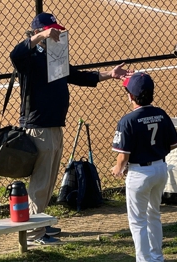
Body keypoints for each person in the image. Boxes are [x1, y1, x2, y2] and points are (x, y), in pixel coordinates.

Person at [10, 12, 132, 245]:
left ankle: (40, 225)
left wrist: (110, 74)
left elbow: (77, 76)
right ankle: (35, 235)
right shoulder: (29, 58)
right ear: (39, 32)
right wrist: (41, 36)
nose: (57, 33)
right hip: (39, 127)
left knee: (48, 181)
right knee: (40, 182)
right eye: (51, 30)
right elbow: (15, 54)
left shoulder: (53, 54)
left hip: (54, 126)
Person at [111, 72, 177, 262]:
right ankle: (157, 261)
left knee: (138, 221)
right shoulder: (162, 114)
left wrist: (118, 169)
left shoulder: (127, 120)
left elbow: (124, 155)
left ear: (131, 96)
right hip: (160, 170)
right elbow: (173, 145)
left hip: (139, 173)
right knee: (153, 215)